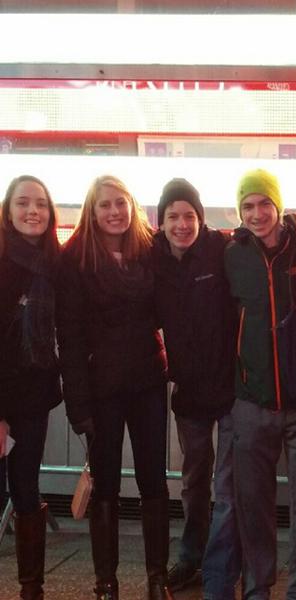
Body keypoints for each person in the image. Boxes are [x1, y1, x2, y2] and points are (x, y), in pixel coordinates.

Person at [56, 175, 172, 600]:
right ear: (92, 210)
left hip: (147, 381)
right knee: (105, 484)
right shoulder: (74, 259)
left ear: (132, 205)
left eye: (120, 203)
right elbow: (67, 336)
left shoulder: (150, 249)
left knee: (153, 481)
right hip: (99, 387)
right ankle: (106, 583)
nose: (114, 212)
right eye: (105, 205)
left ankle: (157, 579)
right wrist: (77, 403)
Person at [224, 168, 296, 600]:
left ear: (279, 206)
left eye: (265, 203)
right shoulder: (231, 254)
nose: (257, 213)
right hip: (251, 401)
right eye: (248, 205)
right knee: (253, 504)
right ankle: (258, 587)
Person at [150, 178, 242, 598]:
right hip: (187, 393)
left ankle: (222, 563)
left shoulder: (220, 250)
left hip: (229, 388)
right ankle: (191, 556)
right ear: (161, 221)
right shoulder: (153, 259)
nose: (182, 224)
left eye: (189, 215)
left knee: (227, 484)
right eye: (173, 216)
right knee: (194, 480)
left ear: (200, 219)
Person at [0, 175, 62, 599]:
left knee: (26, 486)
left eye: (40, 203)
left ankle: (30, 588)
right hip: (2, 396)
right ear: (8, 210)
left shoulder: (55, 262)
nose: (32, 211)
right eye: (23, 203)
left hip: (34, 395)